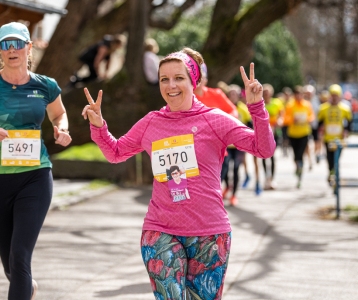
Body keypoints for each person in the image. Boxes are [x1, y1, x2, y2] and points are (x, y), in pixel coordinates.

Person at [82, 47, 275, 299]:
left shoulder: (215, 119)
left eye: (179, 78)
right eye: (164, 79)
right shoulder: (151, 122)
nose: (171, 85)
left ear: (193, 81)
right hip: (160, 229)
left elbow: (264, 148)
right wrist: (99, 126)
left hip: (209, 232)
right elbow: (116, 152)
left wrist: (256, 108)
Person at [0, 22, 72, 300]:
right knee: (12, 266)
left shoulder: (45, 85)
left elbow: (59, 114)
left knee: (21, 256)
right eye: (6, 45)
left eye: (17, 43)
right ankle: (28, 289)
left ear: (28, 47)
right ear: (1, 50)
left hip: (35, 176)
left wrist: (62, 129)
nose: (12, 50)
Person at [221, 84, 253, 204]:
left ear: (238, 95)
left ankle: (234, 195)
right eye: (230, 93)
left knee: (235, 169)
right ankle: (227, 186)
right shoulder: (223, 108)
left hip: (239, 146)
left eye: (235, 94)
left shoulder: (244, 109)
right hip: (226, 146)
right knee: (224, 168)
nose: (232, 96)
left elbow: (250, 127)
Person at [318, 84, 352, 183]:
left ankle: (335, 174)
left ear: (340, 96)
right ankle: (331, 172)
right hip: (328, 138)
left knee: (337, 158)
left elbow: (349, 123)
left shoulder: (345, 108)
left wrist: (346, 131)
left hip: (339, 138)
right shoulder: (324, 108)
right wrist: (321, 128)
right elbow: (319, 122)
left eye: (336, 95)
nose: (334, 97)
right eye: (332, 95)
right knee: (329, 158)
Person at [283, 86, 315, 188]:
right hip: (293, 134)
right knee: (295, 155)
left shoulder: (307, 104)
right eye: (296, 95)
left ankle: (300, 175)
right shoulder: (290, 105)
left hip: (304, 133)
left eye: (300, 95)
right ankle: (297, 167)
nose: (298, 97)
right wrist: (293, 120)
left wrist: (308, 119)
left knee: (301, 155)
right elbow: (285, 118)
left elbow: (311, 116)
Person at [262, 84, 284, 190]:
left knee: (273, 156)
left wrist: (280, 121)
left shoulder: (277, 103)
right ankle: (266, 178)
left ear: (271, 93)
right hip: (263, 135)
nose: (266, 94)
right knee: (263, 156)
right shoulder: (260, 104)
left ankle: (272, 179)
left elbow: (282, 115)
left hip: (275, 133)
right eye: (264, 92)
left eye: (268, 92)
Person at [304, 85, 322, 163]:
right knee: (306, 143)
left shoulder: (317, 101)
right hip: (305, 126)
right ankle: (309, 159)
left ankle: (316, 154)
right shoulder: (303, 102)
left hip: (315, 125)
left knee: (317, 141)